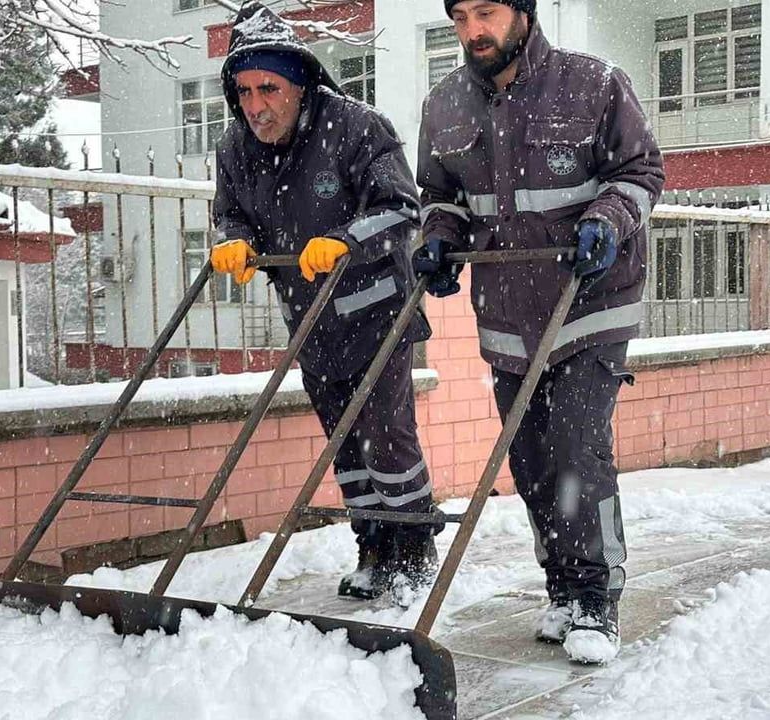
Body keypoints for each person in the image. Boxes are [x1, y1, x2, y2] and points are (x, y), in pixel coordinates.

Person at [413, 0, 664, 662]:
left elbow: (641, 171)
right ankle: (562, 588)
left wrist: (607, 219)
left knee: (578, 450)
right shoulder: (444, 105)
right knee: (530, 461)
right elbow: (440, 197)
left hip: (590, 300)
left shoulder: (593, 83)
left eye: (486, 12)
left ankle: (596, 597)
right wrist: (438, 238)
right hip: (506, 313)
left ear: (521, 11)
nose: (473, 31)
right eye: (460, 17)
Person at [210, 2, 440, 603]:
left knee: (386, 437)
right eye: (244, 91)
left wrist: (345, 241)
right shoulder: (235, 147)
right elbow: (230, 213)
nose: (255, 105)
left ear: (300, 83)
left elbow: (401, 209)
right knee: (344, 443)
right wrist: (233, 240)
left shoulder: (357, 127)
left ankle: (414, 549)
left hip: (376, 313)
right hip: (309, 319)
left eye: (268, 88)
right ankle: (374, 548)